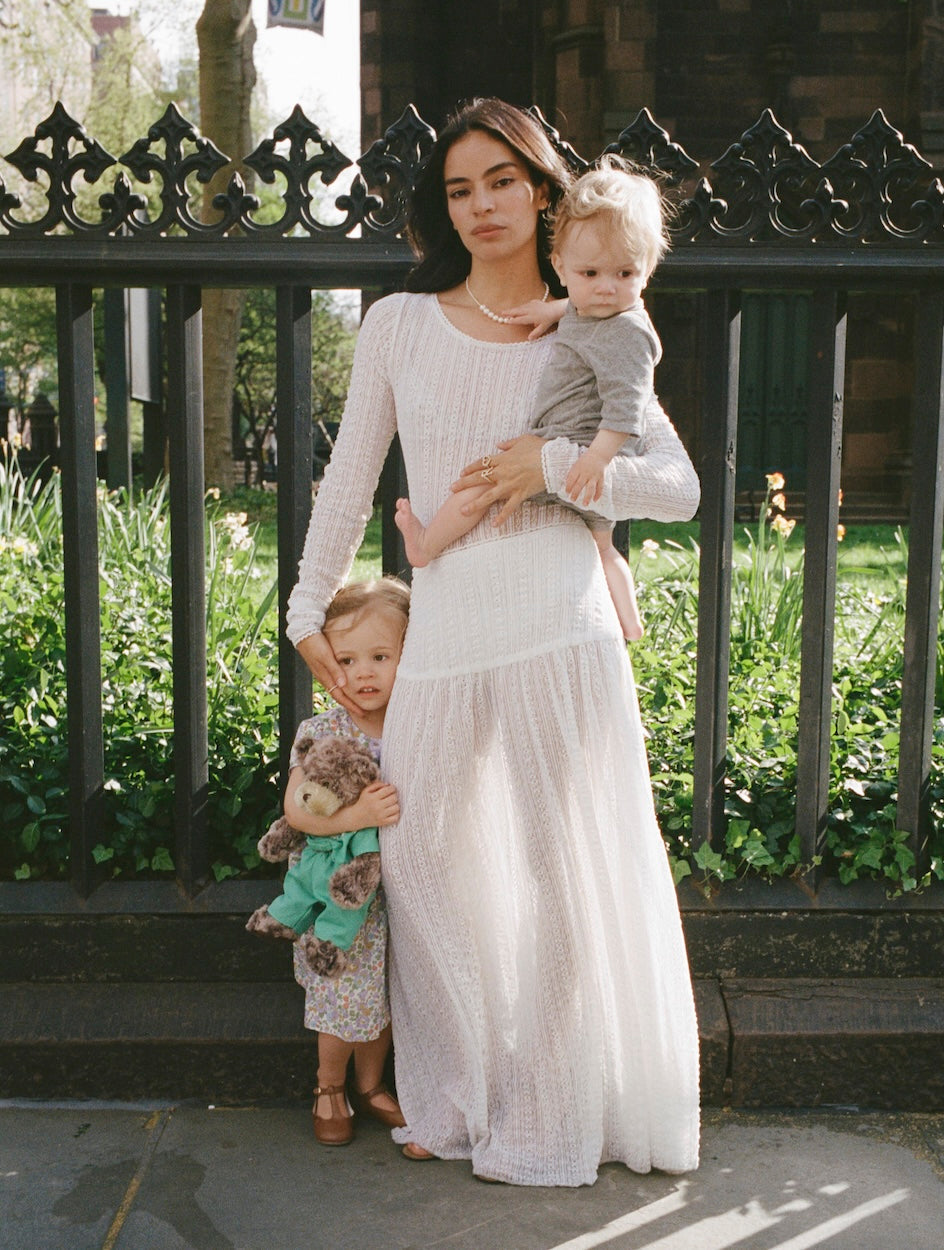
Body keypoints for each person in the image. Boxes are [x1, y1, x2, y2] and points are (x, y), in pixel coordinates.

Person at [287, 98, 701, 1186]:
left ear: (544, 191)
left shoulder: (598, 320)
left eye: (502, 181)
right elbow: (347, 478)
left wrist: (553, 470)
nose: (481, 205)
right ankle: (466, 1092)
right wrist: (303, 606)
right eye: (461, 187)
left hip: (558, 626)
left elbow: (678, 485)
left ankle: (550, 1110)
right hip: (450, 629)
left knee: (558, 874)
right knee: (424, 861)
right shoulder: (396, 324)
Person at [395, 157, 669, 641]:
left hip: (574, 449)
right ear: (563, 267)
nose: (606, 287)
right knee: (603, 547)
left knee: (478, 487)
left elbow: (628, 408)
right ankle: (631, 625)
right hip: (576, 455)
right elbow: (583, 304)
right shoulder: (595, 305)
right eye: (590, 273)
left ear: (647, 270)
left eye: (625, 273)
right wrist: (556, 308)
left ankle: (422, 545)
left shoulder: (629, 333)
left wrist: (591, 461)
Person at [271, 578, 410, 1147]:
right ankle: (330, 1087)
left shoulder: (416, 722)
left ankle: (373, 1085)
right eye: (347, 659)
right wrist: (356, 818)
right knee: (342, 1001)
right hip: (342, 899)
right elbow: (297, 812)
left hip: (400, 892)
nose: (364, 673)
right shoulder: (322, 731)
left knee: (383, 1003)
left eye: (381, 656)